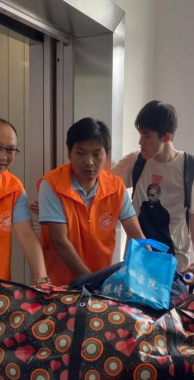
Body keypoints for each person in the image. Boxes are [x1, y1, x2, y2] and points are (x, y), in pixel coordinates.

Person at [38, 118, 145, 286]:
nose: (88, 162)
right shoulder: (52, 184)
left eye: (96, 154)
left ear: (106, 155)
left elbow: (136, 234)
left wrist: (147, 269)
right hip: (61, 285)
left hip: (100, 281)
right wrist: (93, 282)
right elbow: (60, 242)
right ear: (69, 152)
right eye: (80, 153)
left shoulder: (115, 186)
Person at [111, 100, 194, 285]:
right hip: (137, 260)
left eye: (146, 136)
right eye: (140, 134)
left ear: (166, 137)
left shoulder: (192, 166)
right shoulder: (135, 161)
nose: (140, 142)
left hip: (175, 263)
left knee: (171, 304)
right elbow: (103, 186)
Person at [0, 118, 49, 328]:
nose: (4, 156)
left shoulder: (13, 187)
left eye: (11, 150)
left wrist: (42, 280)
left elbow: (27, 236)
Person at [139, 183, 175, 254]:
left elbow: (164, 234)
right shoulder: (144, 206)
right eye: (148, 195)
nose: (149, 198)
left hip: (158, 249)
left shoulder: (163, 213)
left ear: (158, 195)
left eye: (152, 195)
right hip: (143, 246)